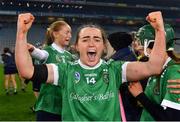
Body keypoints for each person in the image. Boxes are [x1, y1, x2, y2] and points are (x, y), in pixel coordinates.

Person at [16, 11, 166, 121]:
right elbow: (27, 71)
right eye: (85, 39)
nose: (92, 43)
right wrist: (21, 33)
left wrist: (159, 30)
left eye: (97, 39)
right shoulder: (65, 70)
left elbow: (154, 67)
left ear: (103, 47)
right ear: (76, 46)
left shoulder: (115, 69)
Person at [128, 24, 180, 121]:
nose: (138, 48)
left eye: (141, 44)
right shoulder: (157, 68)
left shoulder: (173, 72)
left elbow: (170, 118)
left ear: (153, 44)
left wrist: (140, 95)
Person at [27, 20, 74, 120]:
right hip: (48, 107)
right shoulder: (48, 51)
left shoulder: (69, 56)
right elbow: (40, 54)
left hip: (65, 106)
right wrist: (32, 49)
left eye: (70, 33)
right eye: (67, 32)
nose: (70, 36)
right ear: (55, 34)